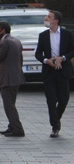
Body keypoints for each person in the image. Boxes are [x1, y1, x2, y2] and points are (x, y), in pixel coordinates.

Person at [34, 10, 74, 138]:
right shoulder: (43, 35)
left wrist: (62, 57)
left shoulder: (68, 34)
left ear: (56, 21)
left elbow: (72, 50)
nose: (46, 18)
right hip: (49, 71)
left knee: (64, 99)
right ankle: (55, 127)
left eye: (49, 17)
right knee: (51, 100)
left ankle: (56, 119)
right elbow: (38, 53)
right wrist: (47, 61)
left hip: (63, 70)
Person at [0, 21, 26, 137]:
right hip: (16, 77)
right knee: (11, 103)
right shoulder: (16, 40)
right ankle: (11, 126)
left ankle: (18, 129)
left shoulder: (4, 43)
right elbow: (20, 60)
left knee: (9, 105)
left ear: (3, 30)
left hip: (7, 79)